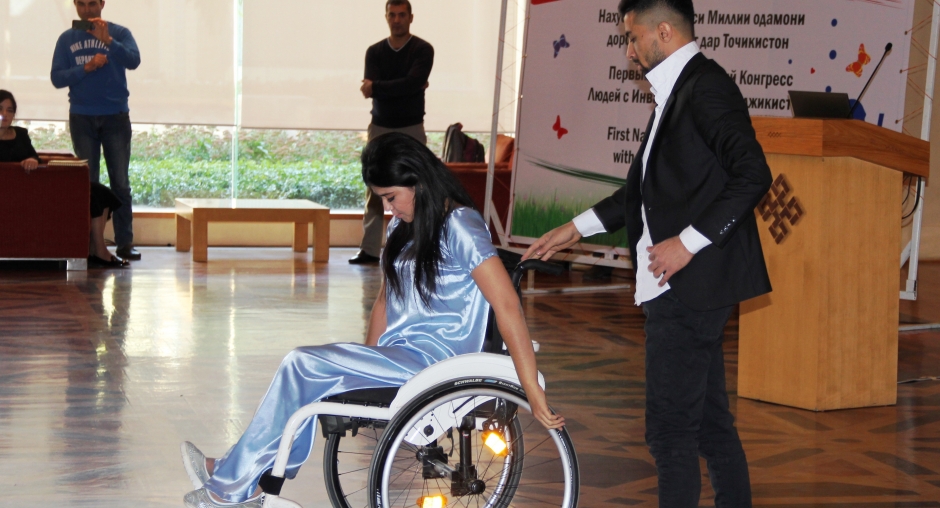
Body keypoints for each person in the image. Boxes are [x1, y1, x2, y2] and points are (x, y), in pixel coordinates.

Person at [180, 132, 563, 508]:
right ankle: (245, 474)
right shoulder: (402, 227)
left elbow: (507, 305)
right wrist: (364, 363)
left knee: (301, 362)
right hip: (401, 356)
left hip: (437, 364)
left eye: (392, 198)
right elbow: (384, 300)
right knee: (310, 376)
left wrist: (531, 387)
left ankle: (231, 486)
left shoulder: (460, 224)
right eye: (383, 200)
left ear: (418, 181)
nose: (390, 209)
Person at [523, 0, 772, 506]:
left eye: (633, 37)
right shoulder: (675, 92)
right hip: (683, 286)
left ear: (664, 31)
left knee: (670, 433)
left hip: (688, 284)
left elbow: (754, 174)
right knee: (708, 423)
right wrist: (576, 227)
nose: (629, 50)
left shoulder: (706, 88)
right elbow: (639, 191)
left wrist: (688, 242)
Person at [51, 0, 142, 262]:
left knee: (120, 182)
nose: (87, 10)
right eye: (81, 4)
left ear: (102, 3)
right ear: (75, 5)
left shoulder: (120, 33)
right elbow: (57, 78)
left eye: (92, 3)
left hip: (115, 116)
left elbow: (134, 61)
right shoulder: (66, 39)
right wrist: (86, 68)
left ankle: (125, 243)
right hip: (82, 117)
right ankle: (91, 244)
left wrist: (110, 42)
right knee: (88, 184)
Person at [0, 90, 128, 268]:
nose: (4, 115)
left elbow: (34, 158)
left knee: (99, 192)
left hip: (36, 188)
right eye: (1, 109)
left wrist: (31, 160)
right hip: (11, 197)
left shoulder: (20, 134)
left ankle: (98, 249)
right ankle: (96, 250)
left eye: (10, 110)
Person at [349, 0, 434, 265]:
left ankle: (419, 246)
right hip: (380, 126)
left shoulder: (423, 49)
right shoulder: (374, 52)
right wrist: (408, 85)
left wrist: (378, 87)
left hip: (411, 127)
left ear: (411, 17)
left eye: (401, 15)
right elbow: (409, 85)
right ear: (386, 17)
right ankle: (370, 249)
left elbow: (411, 83)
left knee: (417, 186)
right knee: (373, 185)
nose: (397, 19)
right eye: (392, 15)